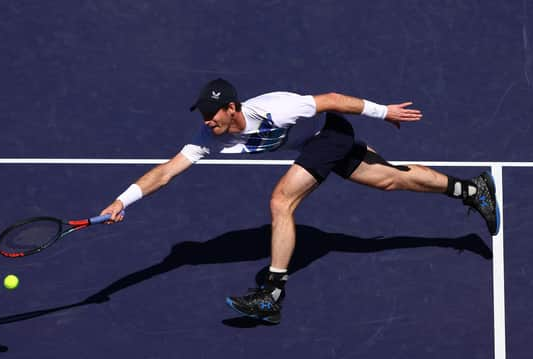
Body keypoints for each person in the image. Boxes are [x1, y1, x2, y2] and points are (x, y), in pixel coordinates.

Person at [100, 78, 499, 324]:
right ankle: (473, 189)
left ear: (232, 107)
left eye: (213, 113)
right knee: (391, 180)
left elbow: (333, 99)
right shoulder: (208, 139)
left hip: (328, 134)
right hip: (316, 144)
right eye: (203, 115)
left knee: (280, 201)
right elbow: (166, 171)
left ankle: (271, 294)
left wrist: (383, 112)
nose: (207, 121)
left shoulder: (278, 107)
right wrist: (122, 201)